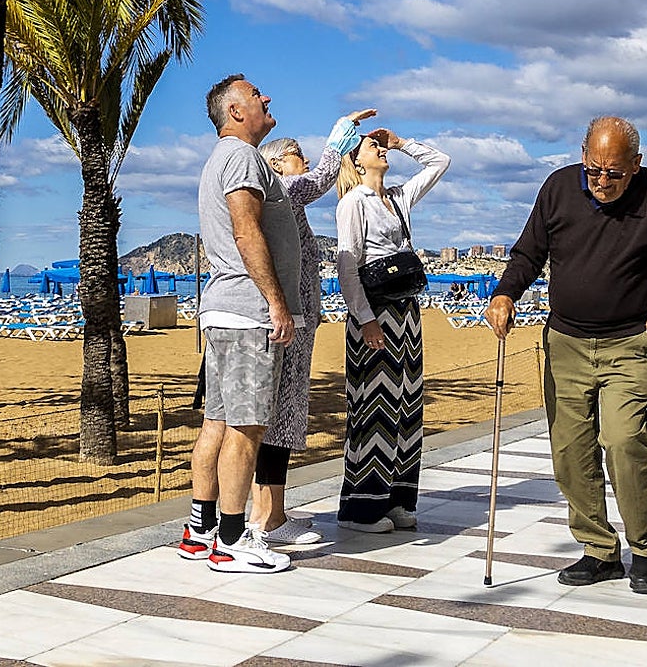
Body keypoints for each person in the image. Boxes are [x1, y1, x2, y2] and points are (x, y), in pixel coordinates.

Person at [484, 116, 647, 595]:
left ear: (636, 166)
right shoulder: (559, 187)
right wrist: (504, 294)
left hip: (629, 342)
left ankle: (646, 548)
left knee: (623, 442)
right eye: (594, 170)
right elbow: (527, 254)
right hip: (565, 342)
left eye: (615, 173)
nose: (602, 182)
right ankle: (599, 550)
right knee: (570, 451)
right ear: (583, 156)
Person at [179, 74, 301, 574]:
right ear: (235, 111)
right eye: (255, 95)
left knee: (218, 422)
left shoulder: (221, 159)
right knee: (247, 427)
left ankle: (200, 528)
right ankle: (231, 540)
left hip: (224, 310)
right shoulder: (243, 157)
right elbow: (246, 228)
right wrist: (276, 300)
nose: (266, 97)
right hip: (247, 310)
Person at [248, 108, 376, 545]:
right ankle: (267, 518)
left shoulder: (281, 201)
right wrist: (341, 131)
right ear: (277, 163)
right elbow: (322, 177)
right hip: (290, 320)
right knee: (279, 418)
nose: (303, 159)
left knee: (280, 417)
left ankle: (272, 512)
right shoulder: (281, 189)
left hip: (299, 317)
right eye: (296, 154)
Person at [335, 128, 449, 532]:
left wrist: (403, 143)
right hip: (375, 312)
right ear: (355, 160)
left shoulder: (397, 198)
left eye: (382, 146)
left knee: (406, 405)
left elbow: (440, 162)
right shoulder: (354, 202)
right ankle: (362, 508)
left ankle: (398, 497)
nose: (380, 150)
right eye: (373, 146)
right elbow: (347, 267)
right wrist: (365, 319)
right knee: (374, 406)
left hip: (406, 311)